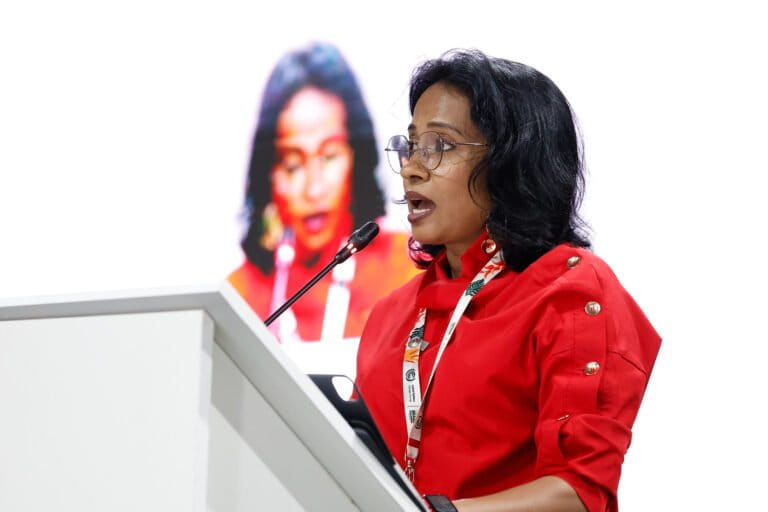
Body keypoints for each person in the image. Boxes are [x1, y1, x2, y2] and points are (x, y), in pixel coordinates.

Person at [355, 49, 661, 512]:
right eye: (412, 144)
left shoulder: (570, 291)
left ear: (513, 162)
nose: (412, 167)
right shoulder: (389, 317)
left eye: (440, 145)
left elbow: (579, 493)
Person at [228, 43, 420, 347]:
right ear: (268, 175)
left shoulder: (409, 272)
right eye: (292, 166)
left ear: (357, 157)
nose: (314, 189)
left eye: (329, 157)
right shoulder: (237, 297)